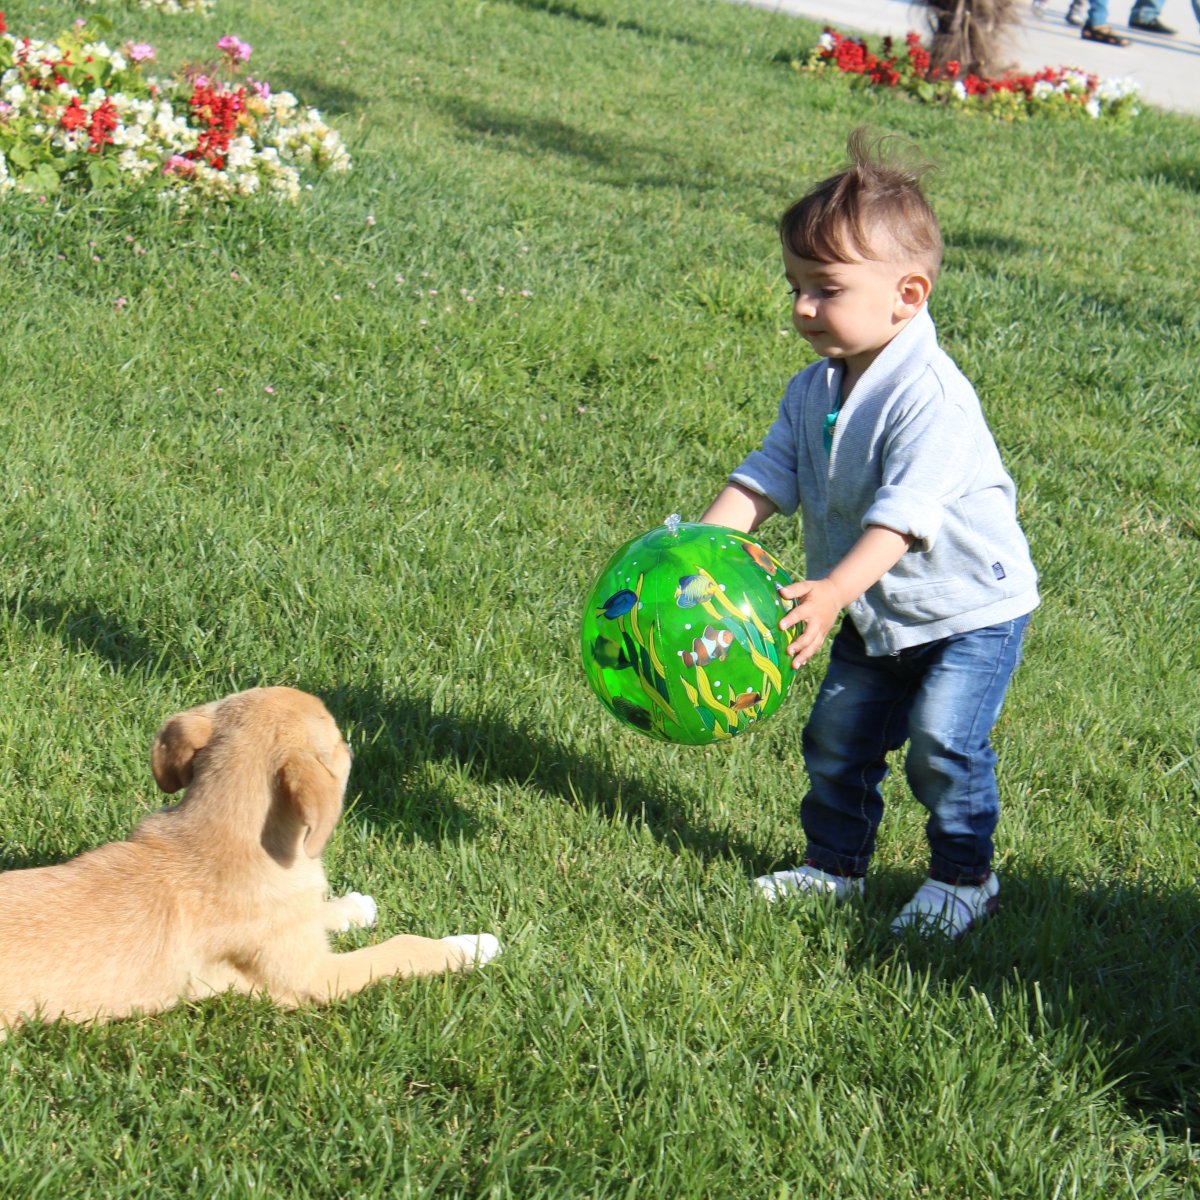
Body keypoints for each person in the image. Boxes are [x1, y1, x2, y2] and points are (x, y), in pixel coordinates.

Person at [700, 129, 1039, 939]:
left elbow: (903, 515)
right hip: (869, 606)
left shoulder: (934, 400)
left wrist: (831, 593)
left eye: (824, 289)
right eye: (794, 287)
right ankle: (834, 866)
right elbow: (766, 475)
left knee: (942, 745)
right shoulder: (811, 387)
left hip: (966, 612)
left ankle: (964, 879)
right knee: (837, 739)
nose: (802, 308)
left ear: (907, 295)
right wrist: (701, 552)